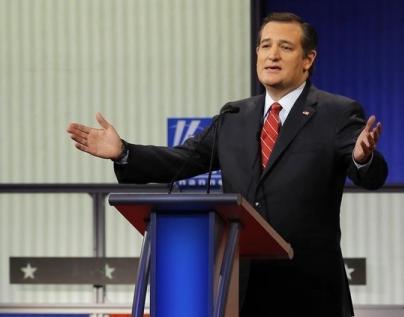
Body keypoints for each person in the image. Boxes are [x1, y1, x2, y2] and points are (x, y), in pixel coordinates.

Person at [67, 12, 387, 317]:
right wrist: (124, 152)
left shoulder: (336, 113)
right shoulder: (234, 116)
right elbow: (181, 160)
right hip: (239, 288)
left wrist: (363, 158)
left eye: (285, 47)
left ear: (308, 60)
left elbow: (371, 174)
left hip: (308, 291)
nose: (272, 54)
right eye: (265, 45)